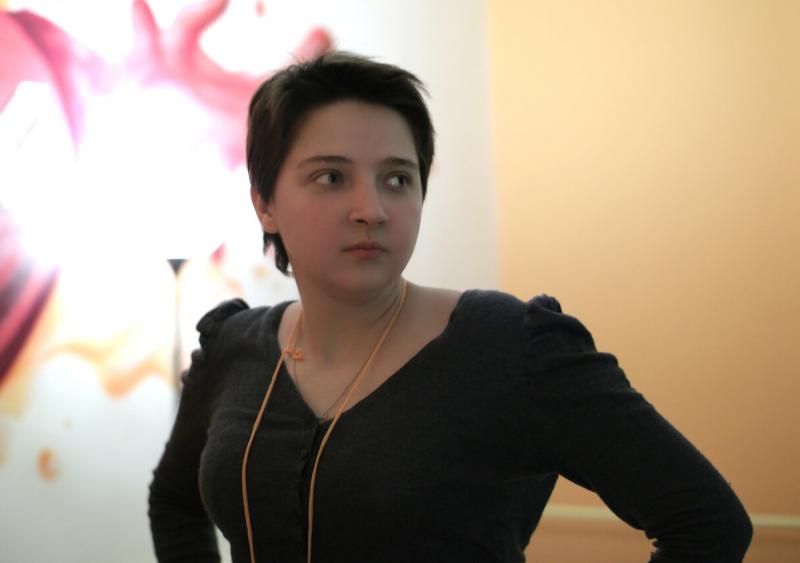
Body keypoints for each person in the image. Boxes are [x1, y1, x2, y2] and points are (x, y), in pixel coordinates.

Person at [148, 52, 752, 563]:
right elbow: (174, 501)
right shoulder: (235, 347)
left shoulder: (509, 346)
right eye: (331, 177)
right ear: (265, 203)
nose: (371, 210)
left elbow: (707, 522)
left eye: (397, 179)